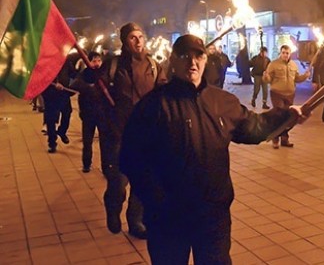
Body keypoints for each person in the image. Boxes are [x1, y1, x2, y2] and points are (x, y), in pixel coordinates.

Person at [119, 34, 306, 265]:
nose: (192, 63)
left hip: (212, 215)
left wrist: (288, 117)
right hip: (168, 218)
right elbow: (131, 158)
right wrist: (157, 201)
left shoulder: (221, 101)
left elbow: (254, 128)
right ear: (173, 60)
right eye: (185, 56)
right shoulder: (153, 105)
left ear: (206, 60)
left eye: (199, 56)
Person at [99, 22, 167, 239]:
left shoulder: (154, 66)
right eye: (132, 37)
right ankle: (113, 208)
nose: (138, 42)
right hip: (118, 133)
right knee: (118, 182)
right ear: (124, 41)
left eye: (140, 37)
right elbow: (96, 91)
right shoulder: (113, 65)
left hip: (145, 135)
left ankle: (136, 220)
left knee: (142, 182)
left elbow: (164, 93)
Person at [263, 44, 310, 148]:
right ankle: (275, 138)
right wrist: (266, 77)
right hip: (277, 93)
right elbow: (268, 80)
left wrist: (305, 76)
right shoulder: (273, 64)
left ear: (290, 54)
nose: (285, 55)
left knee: (289, 117)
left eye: (287, 53)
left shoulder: (293, 65)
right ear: (280, 53)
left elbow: (297, 78)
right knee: (278, 115)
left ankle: (285, 138)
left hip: (290, 94)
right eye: (283, 53)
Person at [70, 51, 106, 173]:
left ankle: (105, 166)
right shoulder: (84, 75)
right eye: (94, 61)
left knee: (105, 142)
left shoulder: (104, 74)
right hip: (88, 113)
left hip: (102, 113)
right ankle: (86, 164)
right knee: (87, 140)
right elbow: (73, 87)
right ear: (88, 62)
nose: (97, 63)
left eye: (99, 60)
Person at [41, 56, 76, 153]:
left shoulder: (65, 61)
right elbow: (41, 77)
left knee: (67, 113)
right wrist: (54, 84)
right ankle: (52, 143)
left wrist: (73, 86)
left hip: (63, 94)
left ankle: (62, 131)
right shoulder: (45, 61)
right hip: (50, 95)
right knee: (51, 119)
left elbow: (73, 74)